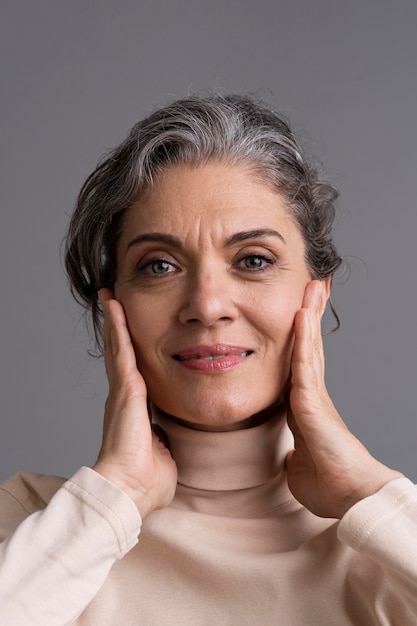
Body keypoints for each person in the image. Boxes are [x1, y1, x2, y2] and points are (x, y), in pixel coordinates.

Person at [0, 94, 416, 625]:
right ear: (114, 308)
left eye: (254, 260)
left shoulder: (391, 545)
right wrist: (114, 498)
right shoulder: (30, 528)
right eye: (158, 266)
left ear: (316, 295)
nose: (207, 305)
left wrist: (370, 494)